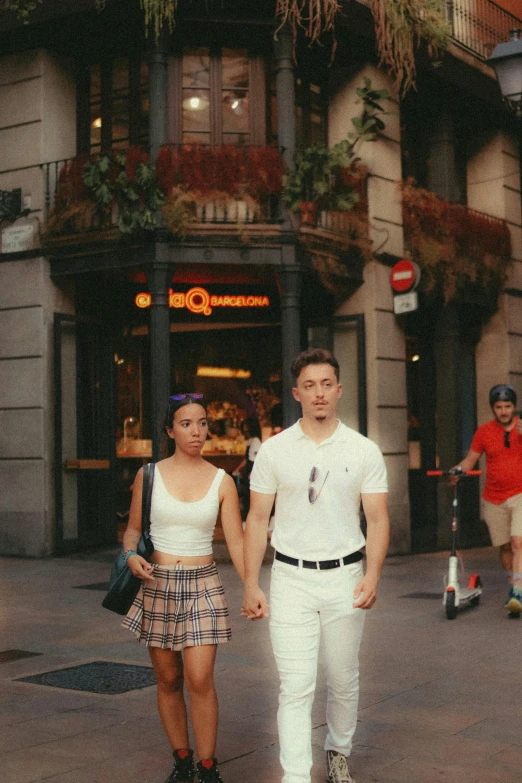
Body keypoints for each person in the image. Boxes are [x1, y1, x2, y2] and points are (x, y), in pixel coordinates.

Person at [242, 348, 390, 783]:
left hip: (346, 577)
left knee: (343, 677)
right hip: (290, 578)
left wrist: (373, 574)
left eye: (326, 384)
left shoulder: (364, 450)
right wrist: (251, 582)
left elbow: (378, 519)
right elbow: (255, 519)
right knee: (295, 684)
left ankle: (338, 751)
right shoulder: (274, 451)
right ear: (296, 393)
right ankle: (295, 776)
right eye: (309, 385)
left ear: (339, 390)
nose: (319, 393)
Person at [122, 394, 244, 783]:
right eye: (187, 424)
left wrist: (253, 586)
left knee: (198, 678)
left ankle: (208, 767)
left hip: (203, 584)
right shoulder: (149, 475)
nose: (197, 431)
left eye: (203, 423)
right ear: (170, 430)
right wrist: (130, 555)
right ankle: (181, 760)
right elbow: (134, 530)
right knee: (168, 680)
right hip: (156, 582)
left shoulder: (223, 481)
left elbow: (237, 541)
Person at [452, 384, 522, 617]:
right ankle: (514, 584)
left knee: (518, 542)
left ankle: (517, 592)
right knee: (504, 547)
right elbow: (471, 460)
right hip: (493, 497)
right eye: (499, 407)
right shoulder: (484, 432)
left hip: (520, 493)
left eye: (508, 406)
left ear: (515, 407)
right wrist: (457, 471)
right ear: (493, 408)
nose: (503, 411)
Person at [232, 417, 262, 517]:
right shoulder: (251, 440)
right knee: (245, 495)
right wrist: (238, 468)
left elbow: (258, 459)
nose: (244, 429)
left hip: (252, 468)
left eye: (246, 426)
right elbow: (247, 458)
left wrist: (253, 472)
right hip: (249, 468)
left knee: (249, 496)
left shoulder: (256, 441)